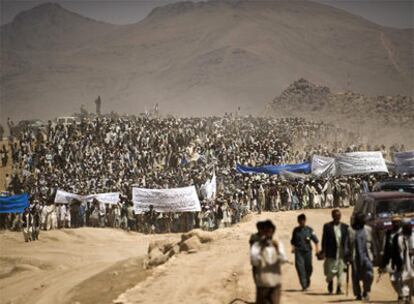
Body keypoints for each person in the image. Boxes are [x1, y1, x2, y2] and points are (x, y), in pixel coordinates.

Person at [251, 220, 287, 304]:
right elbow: (254, 262)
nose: (268, 233)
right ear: (262, 232)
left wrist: (277, 249)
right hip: (263, 283)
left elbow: (283, 261)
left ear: (273, 232)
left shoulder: (278, 244)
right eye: (266, 231)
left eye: (270, 231)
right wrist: (261, 249)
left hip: (275, 283)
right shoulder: (256, 245)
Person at [321, 209, 349, 295]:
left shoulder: (345, 227)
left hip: (341, 253)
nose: (338, 217)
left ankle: (338, 288)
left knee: (340, 272)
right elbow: (324, 240)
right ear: (333, 216)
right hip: (331, 252)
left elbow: (347, 241)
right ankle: (330, 283)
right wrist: (323, 251)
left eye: (339, 215)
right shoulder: (327, 226)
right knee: (331, 270)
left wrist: (348, 252)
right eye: (336, 216)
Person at [347, 212, 374, 301]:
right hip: (355, 257)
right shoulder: (350, 231)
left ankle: (366, 290)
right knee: (355, 277)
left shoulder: (368, 229)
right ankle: (358, 293)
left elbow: (373, 244)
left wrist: (375, 254)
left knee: (369, 274)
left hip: (367, 257)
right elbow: (346, 245)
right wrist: (347, 257)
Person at [290, 213, 319, 291]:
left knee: (309, 268)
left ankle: (307, 279)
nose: (301, 222)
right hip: (298, 252)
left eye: (303, 220)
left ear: (305, 221)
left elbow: (316, 241)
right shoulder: (295, 230)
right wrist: (293, 248)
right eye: (300, 221)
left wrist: (317, 250)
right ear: (298, 221)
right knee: (300, 268)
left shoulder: (310, 230)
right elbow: (293, 241)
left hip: (307, 252)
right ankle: (304, 285)